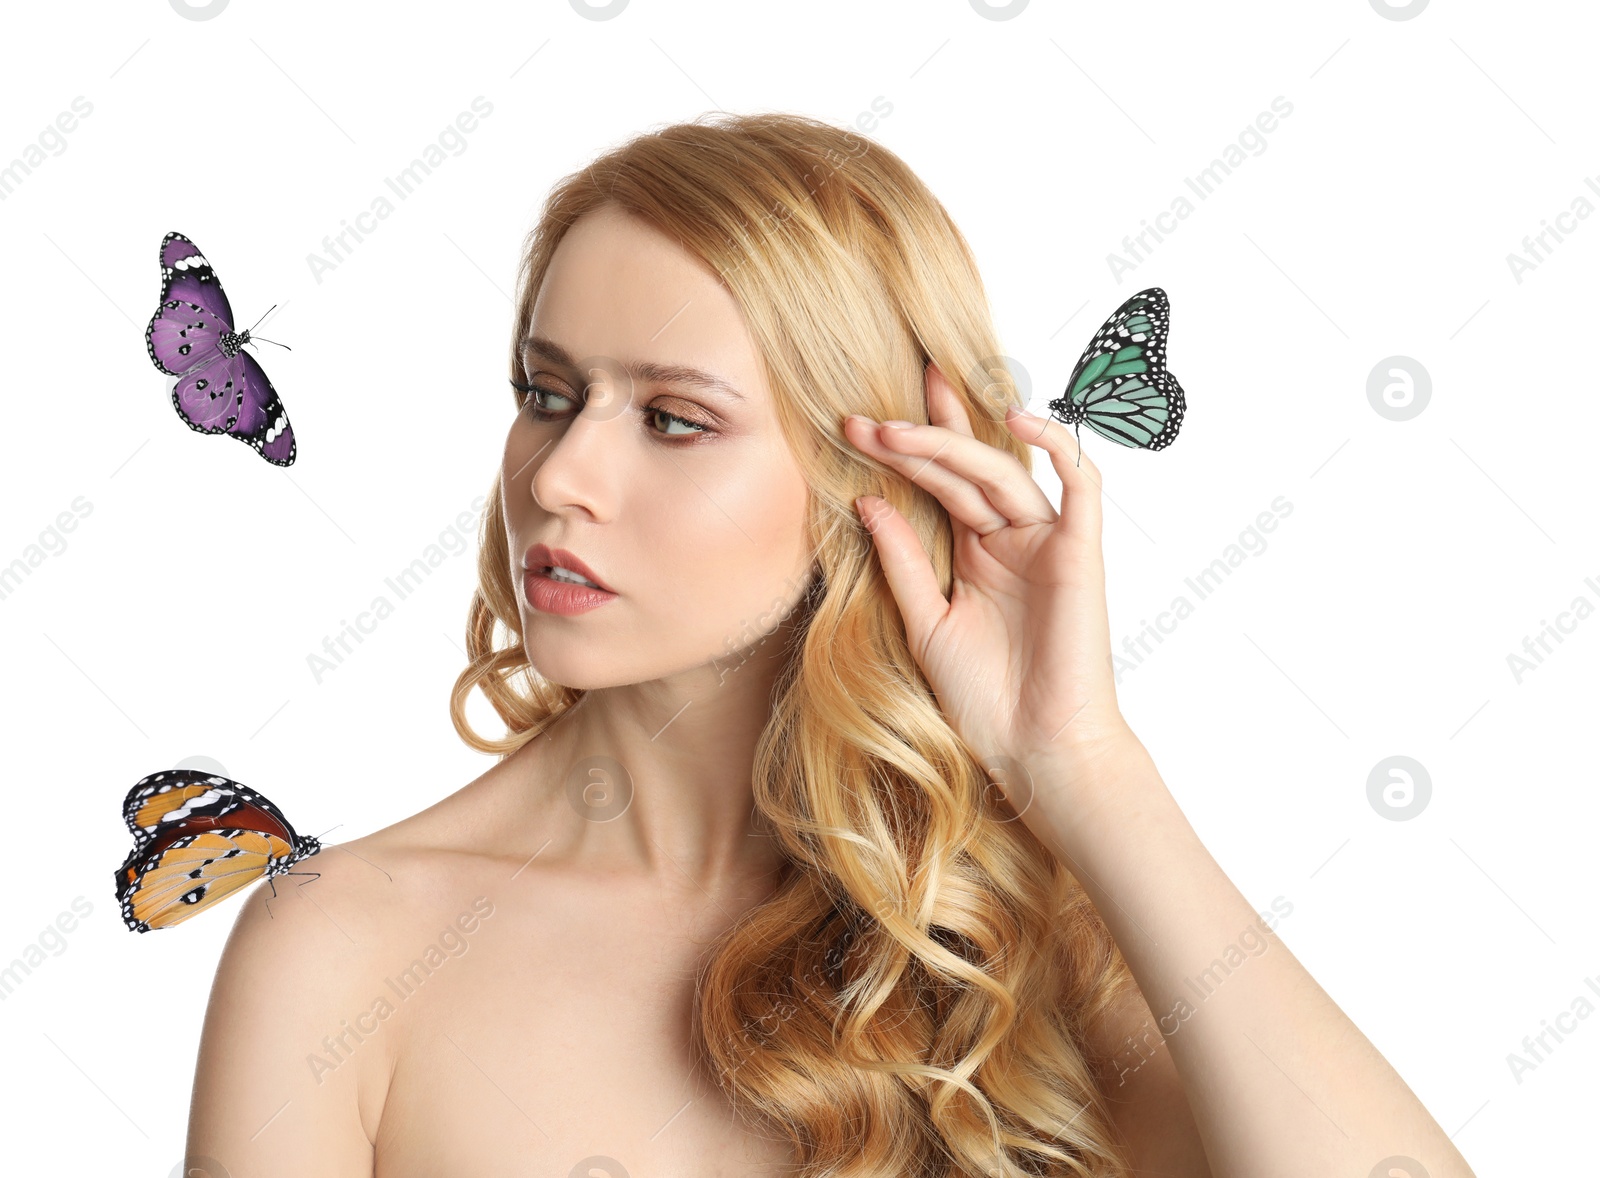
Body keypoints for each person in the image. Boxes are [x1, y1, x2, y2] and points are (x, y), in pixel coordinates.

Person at [183, 112, 1477, 1177]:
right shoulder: (341, 947)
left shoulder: (1018, 936)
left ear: (872, 466)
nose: (563, 473)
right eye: (548, 394)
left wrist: (1085, 761)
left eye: (675, 418)